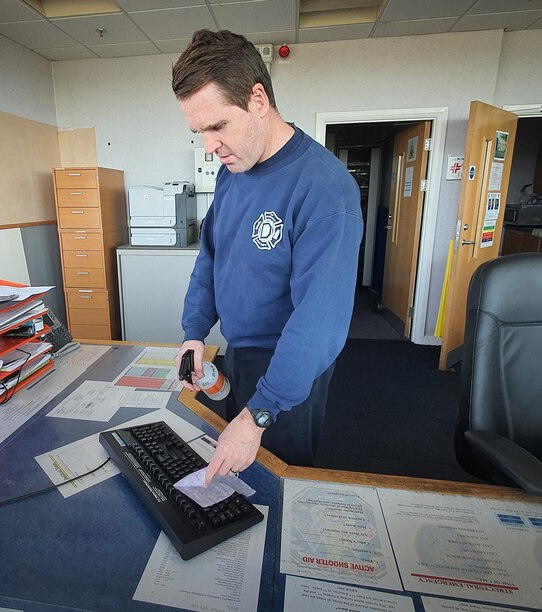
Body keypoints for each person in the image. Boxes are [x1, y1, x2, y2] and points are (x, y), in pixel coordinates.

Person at [170, 30, 362, 485]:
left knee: (277, 484)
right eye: (199, 132)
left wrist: (262, 410)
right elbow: (212, 257)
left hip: (291, 368)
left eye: (217, 126)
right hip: (240, 353)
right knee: (233, 476)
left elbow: (319, 320)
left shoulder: (324, 188)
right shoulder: (233, 170)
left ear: (258, 98)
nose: (209, 146)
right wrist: (194, 332)